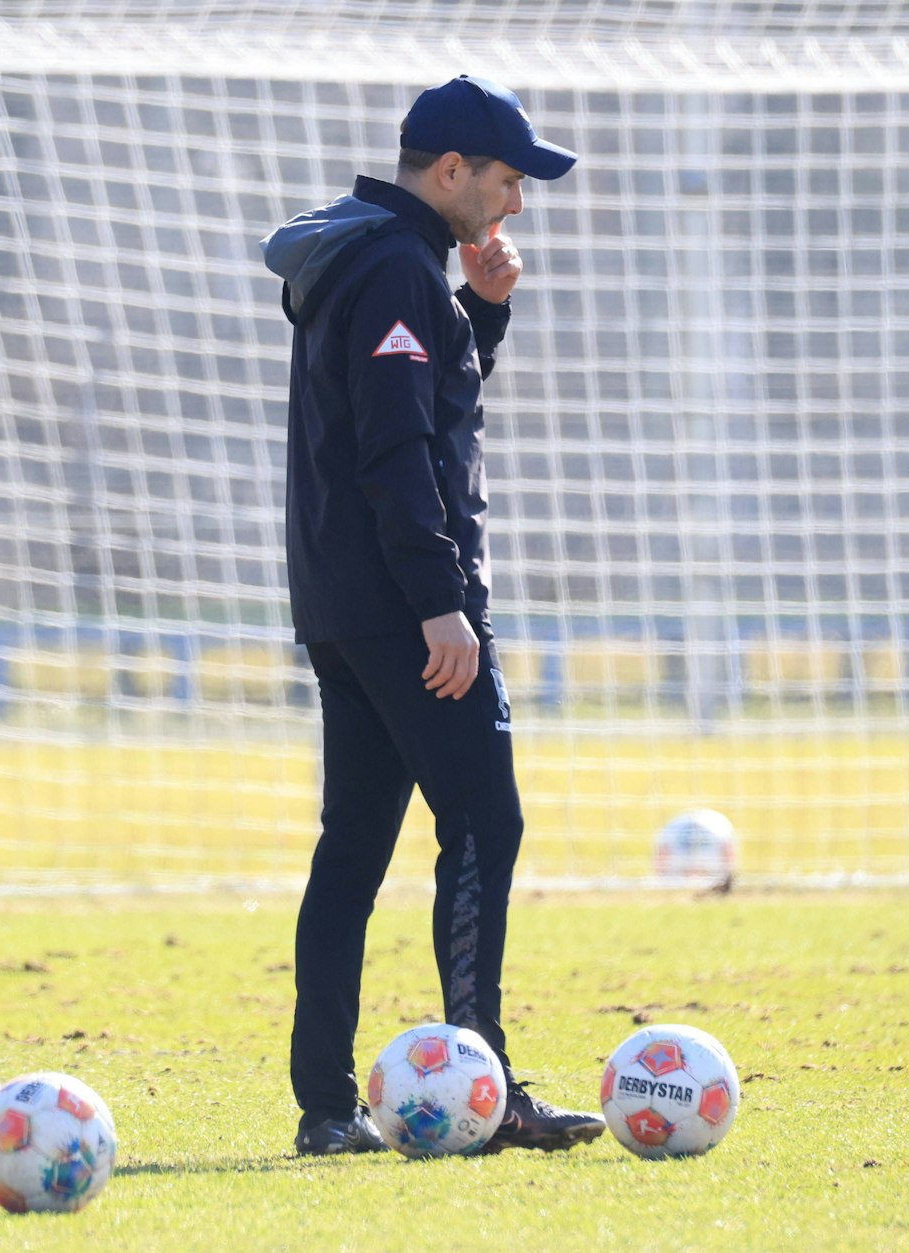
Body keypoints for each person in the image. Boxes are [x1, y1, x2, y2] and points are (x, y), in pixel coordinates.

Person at [259, 75, 604, 1156]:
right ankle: (484, 1079)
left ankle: (324, 1106)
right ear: (448, 171)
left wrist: (483, 311)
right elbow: (396, 456)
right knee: (482, 823)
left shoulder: (376, 260)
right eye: (505, 181)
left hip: (345, 603)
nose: (513, 205)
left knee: (353, 845)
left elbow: (424, 410)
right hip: (406, 609)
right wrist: (441, 606)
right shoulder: (399, 270)